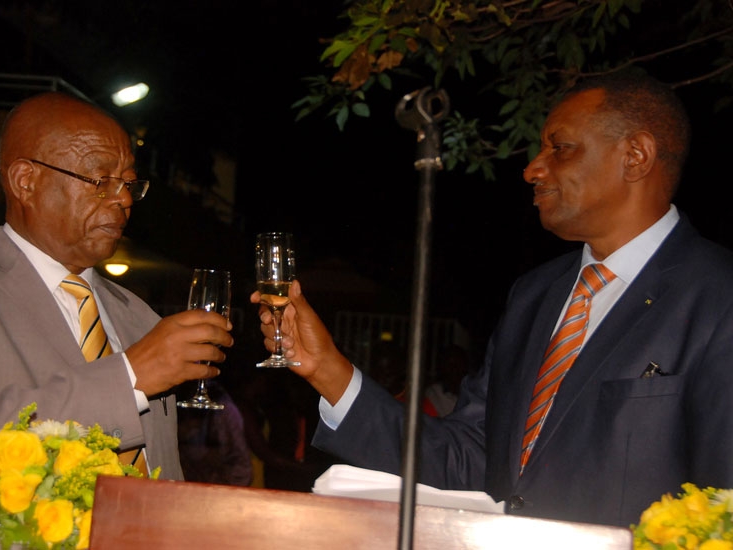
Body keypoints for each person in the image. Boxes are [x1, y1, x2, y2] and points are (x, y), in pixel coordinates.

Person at [251, 70, 733, 528]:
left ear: (636, 156)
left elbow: (720, 507)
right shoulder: (535, 296)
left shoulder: (715, 294)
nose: (532, 169)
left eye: (559, 149)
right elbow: (467, 456)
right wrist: (324, 367)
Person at [0, 92, 233, 534]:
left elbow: (160, 469)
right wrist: (130, 377)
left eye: (130, 183)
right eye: (101, 181)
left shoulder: (138, 315)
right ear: (25, 181)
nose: (123, 200)